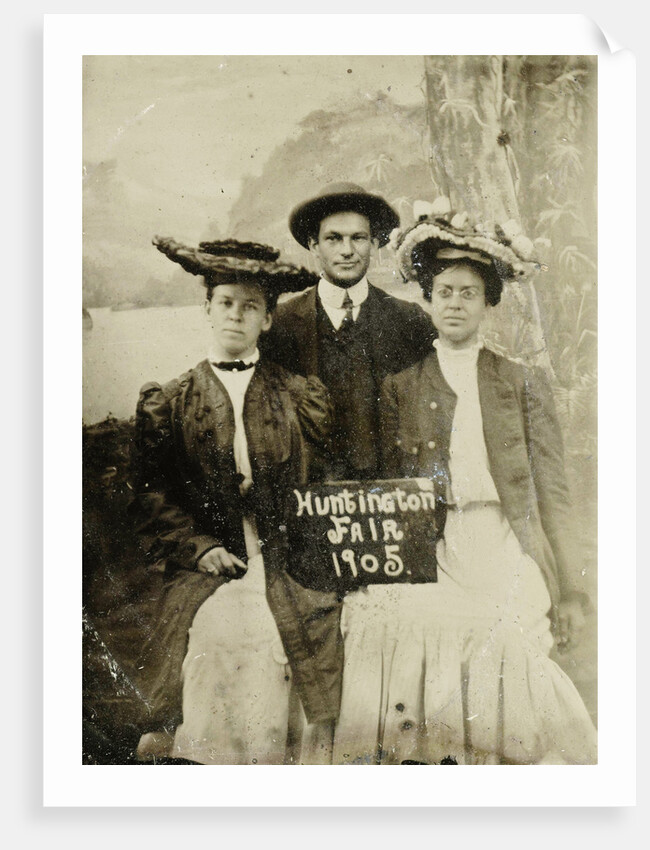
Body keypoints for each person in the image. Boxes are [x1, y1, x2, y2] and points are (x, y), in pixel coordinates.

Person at [332, 204, 597, 765]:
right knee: (406, 631)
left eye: (468, 293)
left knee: (510, 635)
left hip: (508, 539)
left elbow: (555, 491)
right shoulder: (401, 386)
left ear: (488, 304)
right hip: (435, 544)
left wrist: (572, 587)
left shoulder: (521, 382)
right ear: (427, 299)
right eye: (445, 291)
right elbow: (383, 489)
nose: (455, 303)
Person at [131, 237, 342, 765]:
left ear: (267, 320)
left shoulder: (298, 394)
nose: (236, 315)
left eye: (251, 307)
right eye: (226, 303)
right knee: (220, 632)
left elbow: (323, 483)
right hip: (212, 561)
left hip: (287, 555)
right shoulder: (172, 399)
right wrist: (200, 547)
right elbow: (151, 497)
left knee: (290, 631)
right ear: (207, 309)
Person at [259, 182, 436, 481]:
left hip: (391, 496)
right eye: (333, 238)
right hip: (312, 500)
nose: (347, 251)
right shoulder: (280, 326)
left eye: (358, 238)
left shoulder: (410, 322)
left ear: (375, 244)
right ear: (313, 245)